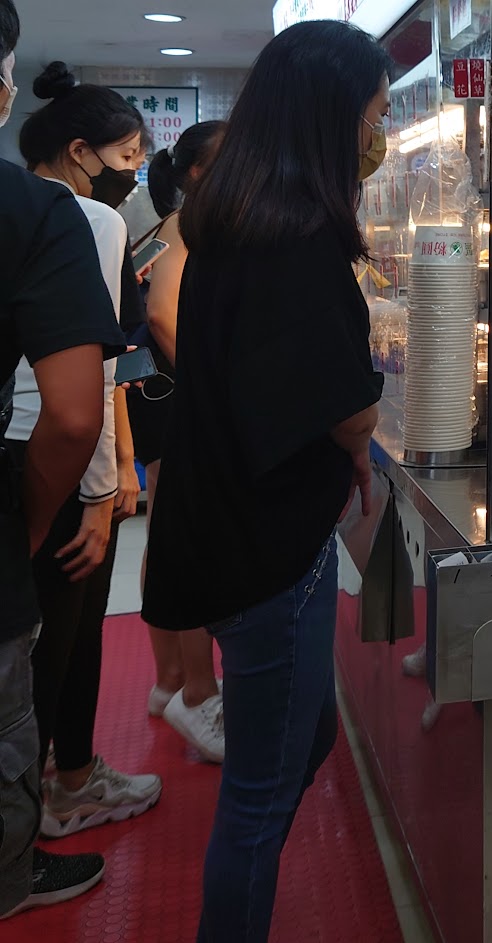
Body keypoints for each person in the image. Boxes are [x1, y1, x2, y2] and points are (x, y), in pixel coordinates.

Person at [140, 21, 388, 942]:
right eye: (372, 114)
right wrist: (361, 431)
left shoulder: (238, 217)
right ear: (331, 116)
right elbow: (347, 409)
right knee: (259, 790)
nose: (377, 132)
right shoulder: (295, 235)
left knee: (300, 737)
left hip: (231, 517)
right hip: (268, 545)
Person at [8, 61, 162, 840]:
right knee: (61, 639)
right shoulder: (87, 220)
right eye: (128, 156)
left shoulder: (16, 204)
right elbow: (89, 384)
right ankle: (57, 796)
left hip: (14, 441)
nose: (134, 174)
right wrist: (103, 490)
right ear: (79, 152)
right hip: (56, 457)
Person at [0, 0, 126, 917]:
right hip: (24, 476)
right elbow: (80, 407)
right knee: (36, 675)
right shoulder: (47, 215)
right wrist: (47, 513)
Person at [132, 121, 227, 763]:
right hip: (169, 397)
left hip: (162, 394)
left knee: (169, 534)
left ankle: (170, 678)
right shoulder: (183, 227)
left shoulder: (185, 226)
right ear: (196, 172)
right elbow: (162, 314)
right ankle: (195, 689)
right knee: (187, 539)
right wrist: (209, 388)